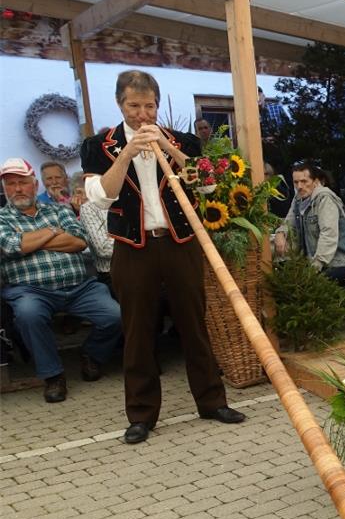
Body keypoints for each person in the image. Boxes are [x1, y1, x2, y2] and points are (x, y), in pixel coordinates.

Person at [82, 69, 245, 444]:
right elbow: (101, 195)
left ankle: (211, 401)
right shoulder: (98, 145)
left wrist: (167, 148)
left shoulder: (183, 140)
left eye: (149, 106)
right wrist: (127, 153)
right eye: (134, 106)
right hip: (132, 246)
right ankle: (141, 415)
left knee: (194, 323)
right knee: (138, 329)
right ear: (120, 105)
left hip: (180, 241)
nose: (143, 114)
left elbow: (204, 182)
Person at [0, 158, 121, 403]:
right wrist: (53, 232)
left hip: (80, 287)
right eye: (10, 184)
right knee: (28, 315)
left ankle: (92, 355)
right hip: (30, 291)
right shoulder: (2, 218)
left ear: (35, 185)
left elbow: (78, 241)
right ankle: (53, 376)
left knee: (116, 315)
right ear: (4, 189)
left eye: (22, 183)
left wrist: (30, 240)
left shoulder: (59, 209)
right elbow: (14, 246)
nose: (17, 189)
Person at [275, 160, 345, 281]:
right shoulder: (298, 198)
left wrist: (314, 268)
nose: (299, 186)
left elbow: (328, 235)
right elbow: (289, 221)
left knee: (308, 283)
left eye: (304, 181)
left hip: (340, 261)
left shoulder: (325, 199)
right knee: (282, 274)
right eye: (296, 182)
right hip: (315, 261)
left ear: (315, 182)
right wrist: (280, 233)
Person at [71, 172, 114, 283]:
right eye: (78, 193)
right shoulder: (87, 208)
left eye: (84, 191)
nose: (83, 196)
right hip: (111, 271)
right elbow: (104, 249)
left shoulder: (114, 201)